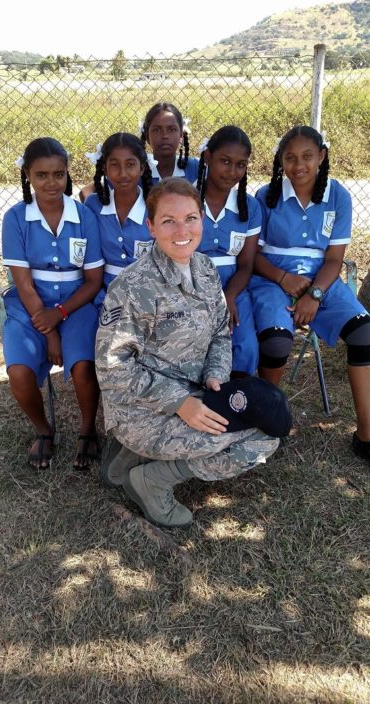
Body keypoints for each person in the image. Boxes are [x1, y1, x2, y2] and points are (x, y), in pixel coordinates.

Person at [96, 178, 291, 529]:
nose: (182, 230)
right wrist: (179, 403)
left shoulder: (205, 269)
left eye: (191, 218)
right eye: (169, 221)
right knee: (262, 440)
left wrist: (216, 374)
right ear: (151, 226)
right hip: (142, 409)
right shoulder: (133, 286)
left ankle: (130, 458)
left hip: (197, 391)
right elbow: (113, 368)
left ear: (203, 220)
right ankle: (153, 479)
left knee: (267, 419)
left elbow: (220, 331)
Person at [249, 125, 370, 462]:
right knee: (275, 341)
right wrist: (283, 278)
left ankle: (366, 434)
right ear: (280, 160)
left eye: (306, 156)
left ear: (322, 156)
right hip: (272, 279)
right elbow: (252, 257)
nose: (298, 165)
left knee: (364, 334)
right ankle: (268, 424)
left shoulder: (338, 195)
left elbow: (334, 259)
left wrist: (314, 295)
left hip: (322, 280)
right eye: (289, 158)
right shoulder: (266, 196)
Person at [2, 137, 104, 470]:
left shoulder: (84, 216)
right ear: (28, 176)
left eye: (59, 174)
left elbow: (93, 281)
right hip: (31, 305)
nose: (51, 182)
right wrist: (48, 331)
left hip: (75, 302)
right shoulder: (16, 218)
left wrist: (60, 314)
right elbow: (24, 284)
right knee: (18, 371)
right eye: (41, 175)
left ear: (67, 174)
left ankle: (87, 430)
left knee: (83, 367)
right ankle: (43, 430)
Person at [196, 125, 260, 376]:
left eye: (240, 165)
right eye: (225, 161)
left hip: (233, 287)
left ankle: (236, 403)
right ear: (207, 157)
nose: (232, 171)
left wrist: (229, 297)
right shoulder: (185, 198)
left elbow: (246, 265)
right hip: (190, 286)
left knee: (245, 347)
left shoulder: (250, 207)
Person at [84, 133, 153, 307]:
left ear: (142, 167)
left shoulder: (156, 205)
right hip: (106, 296)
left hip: (151, 295)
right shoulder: (93, 205)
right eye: (115, 165)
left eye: (130, 165)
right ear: (105, 169)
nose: (123, 173)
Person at [139, 102, 199, 184]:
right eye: (157, 130)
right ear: (147, 135)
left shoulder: (196, 168)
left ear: (181, 134)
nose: (165, 136)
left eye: (172, 129)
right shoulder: (135, 172)